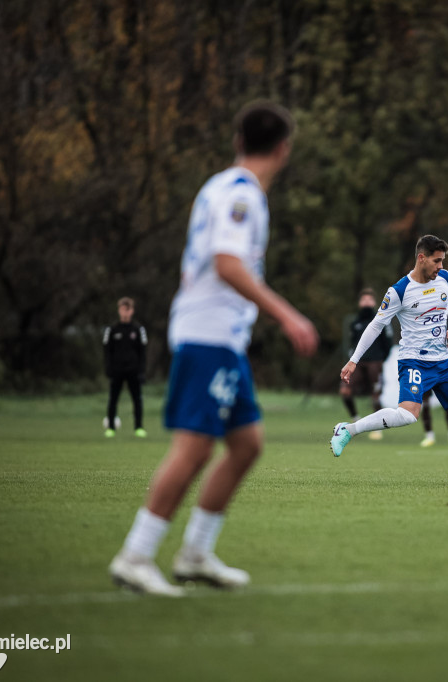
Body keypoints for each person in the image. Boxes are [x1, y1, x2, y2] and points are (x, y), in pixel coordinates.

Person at [109, 101, 319, 596]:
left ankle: (196, 552)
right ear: (284, 150)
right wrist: (286, 313)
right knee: (195, 447)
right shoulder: (241, 195)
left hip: (224, 339)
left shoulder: (220, 187)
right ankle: (136, 555)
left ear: (237, 140)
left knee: (246, 445)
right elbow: (227, 263)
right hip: (208, 334)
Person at [330, 235, 448, 483]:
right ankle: (348, 429)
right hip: (414, 361)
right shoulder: (399, 291)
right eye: (437, 261)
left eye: (443, 261)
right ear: (421, 258)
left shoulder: (445, 279)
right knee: (407, 415)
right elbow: (375, 326)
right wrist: (354, 360)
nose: (441, 266)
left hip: (443, 361)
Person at [340, 288, 393, 441]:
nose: (366, 303)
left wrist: (381, 360)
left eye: (370, 300)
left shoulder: (381, 320)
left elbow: (388, 344)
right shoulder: (355, 323)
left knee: (375, 397)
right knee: (345, 391)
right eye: (364, 300)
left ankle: (377, 429)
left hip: (375, 363)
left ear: (375, 303)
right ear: (359, 303)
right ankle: (355, 420)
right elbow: (352, 344)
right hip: (357, 364)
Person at [103, 297, 149, 438]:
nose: (125, 312)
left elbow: (143, 352)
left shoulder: (138, 329)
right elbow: (106, 351)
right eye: (123, 309)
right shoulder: (111, 330)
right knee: (113, 399)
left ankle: (139, 427)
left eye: (128, 309)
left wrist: (141, 370)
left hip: (133, 371)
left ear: (132, 311)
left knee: (137, 399)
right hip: (117, 370)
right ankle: (111, 428)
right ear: (119, 310)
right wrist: (108, 368)